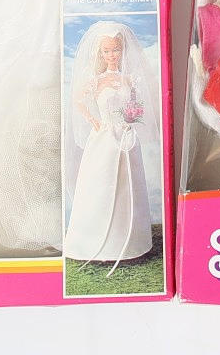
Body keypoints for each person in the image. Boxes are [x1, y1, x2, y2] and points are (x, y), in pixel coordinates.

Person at [63, 23, 156, 270]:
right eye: (107, 51)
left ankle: (130, 242)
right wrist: (93, 120)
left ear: (122, 51)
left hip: (126, 137)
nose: (111, 55)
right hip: (104, 138)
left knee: (128, 185)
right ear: (100, 53)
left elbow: (136, 105)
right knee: (100, 184)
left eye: (115, 50)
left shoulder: (129, 79)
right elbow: (78, 101)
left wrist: (132, 117)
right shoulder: (96, 81)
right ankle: (94, 241)